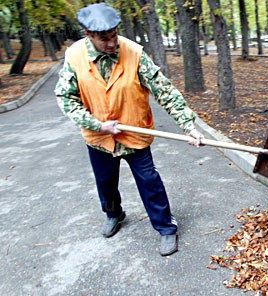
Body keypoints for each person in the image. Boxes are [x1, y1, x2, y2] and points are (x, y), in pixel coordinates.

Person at [54, 3, 204, 256]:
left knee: (149, 181)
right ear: (88, 35)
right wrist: (97, 124)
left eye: (114, 35)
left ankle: (166, 228)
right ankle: (114, 213)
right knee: (105, 182)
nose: (112, 43)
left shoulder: (134, 53)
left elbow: (164, 90)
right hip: (99, 137)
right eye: (104, 39)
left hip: (134, 133)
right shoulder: (75, 56)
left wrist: (189, 125)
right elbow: (65, 98)